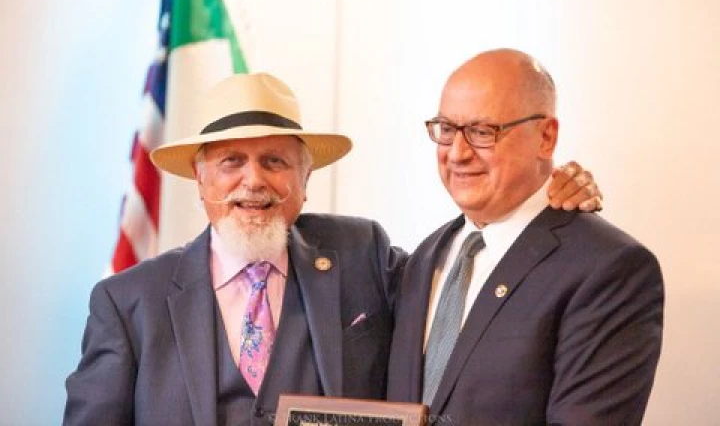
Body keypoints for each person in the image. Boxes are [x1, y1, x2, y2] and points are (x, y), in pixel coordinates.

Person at [64, 72, 601, 425]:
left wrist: (540, 196)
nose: (254, 181)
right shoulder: (127, 303)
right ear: (200, 180)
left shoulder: (361, 253)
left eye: (275, 161)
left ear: (304, 180)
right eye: (231, 162)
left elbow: (470, 281)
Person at [386, 49, 664, 425]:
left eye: (483, 132)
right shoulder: (422, 260)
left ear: (546, 137)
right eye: (447, 130)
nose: (458, 153)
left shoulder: (607, 268)